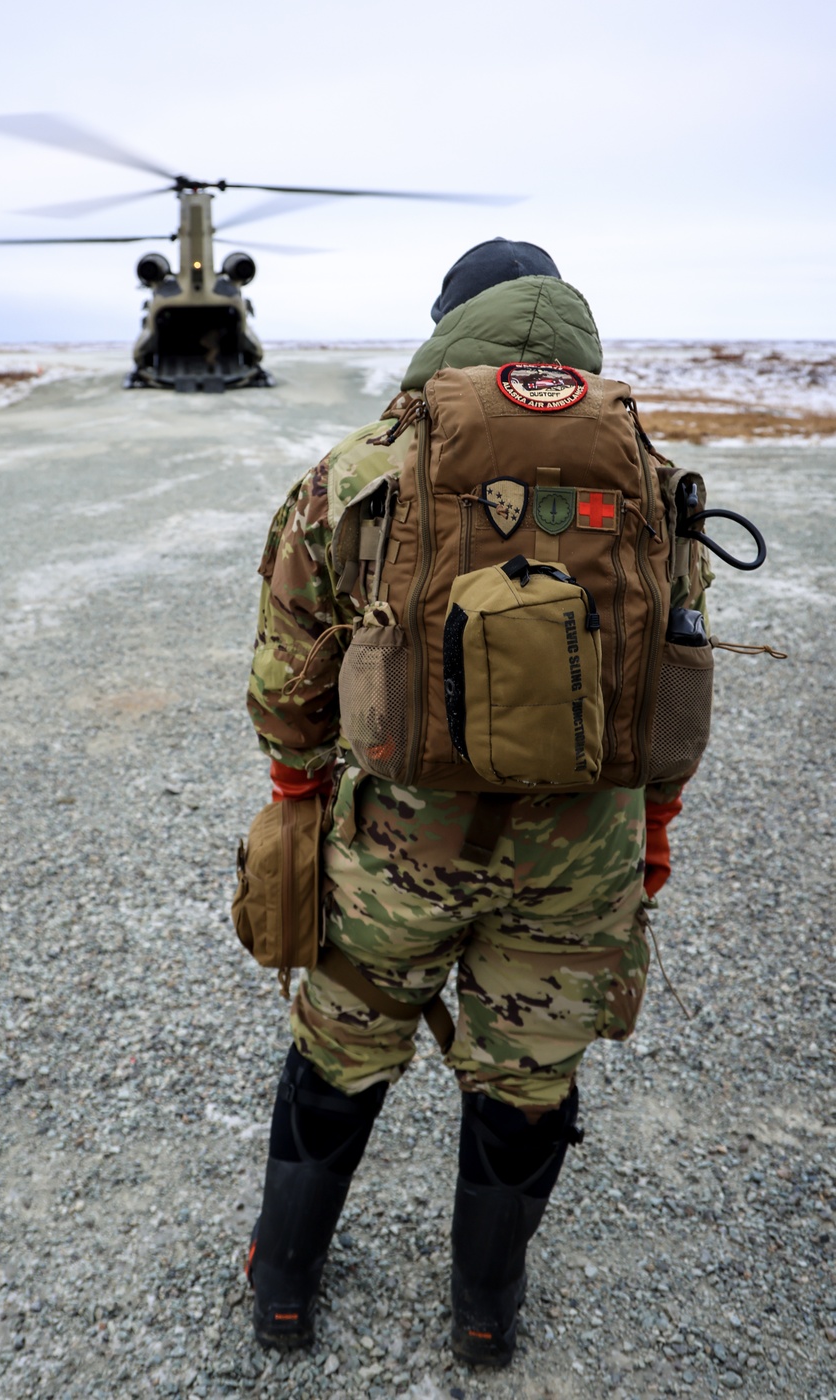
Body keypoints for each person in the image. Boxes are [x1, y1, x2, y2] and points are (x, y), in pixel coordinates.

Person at [242, 239, 689, 1367]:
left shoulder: (366, 464)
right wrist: (652, 825)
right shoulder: (647, 472)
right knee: (527, 1077)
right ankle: (486, 1310)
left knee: (342, 1047)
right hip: (579, 853)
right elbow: (672, 685)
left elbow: (289, 668)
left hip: (399, 842)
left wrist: (299, 787)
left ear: (450, 321)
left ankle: (285, 1282)